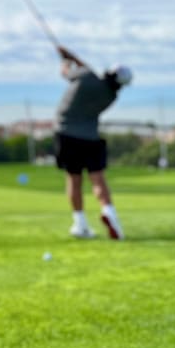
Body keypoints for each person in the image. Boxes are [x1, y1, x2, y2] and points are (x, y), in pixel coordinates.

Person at [54, 45, 133, 239]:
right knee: (98, 179)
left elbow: (65, 72)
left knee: (74, 179)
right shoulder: (111, 96)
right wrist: (74, 57)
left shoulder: (87, 78)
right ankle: (109, 212)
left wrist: (65, 60)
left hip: (66, 134)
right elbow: (87, 71)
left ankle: (80, 223)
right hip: (91, 138)